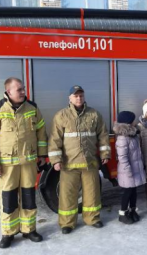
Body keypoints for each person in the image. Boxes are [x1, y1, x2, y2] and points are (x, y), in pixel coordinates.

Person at [0, 78, 47, 249]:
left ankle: (29, 229)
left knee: (29, 198)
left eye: (23, 89)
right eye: (19, 90)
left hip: (29, 163)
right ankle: (8, 233)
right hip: (6, 165)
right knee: (8, 200)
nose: (23, 92)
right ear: (8, 92)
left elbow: (41, 132)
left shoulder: (32, 108)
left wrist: (42, 155)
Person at [48, 85, 110, 234]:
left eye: (81, 95)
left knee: (92, 193)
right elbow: (55, 139)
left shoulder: (94, 114)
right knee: (68, 194)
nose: (79, 98)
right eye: (75, 96)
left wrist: (105, 154)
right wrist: (56, 160)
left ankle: (92, 219)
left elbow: (103, 135)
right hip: (69, 164)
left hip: (90, 162)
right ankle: (67, 223)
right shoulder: (61, 116)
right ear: (69, 98)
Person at [113, 111, 146, 224]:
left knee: (134, 191)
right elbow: (122, 157)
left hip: (135, 168)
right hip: (128, 170)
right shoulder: (123, 138)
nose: (134, 122)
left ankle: (132, 210)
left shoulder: (133, 134)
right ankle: (122, 213)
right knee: (127, 192)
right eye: (132, 120)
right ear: (128, 123)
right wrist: (128, 171)